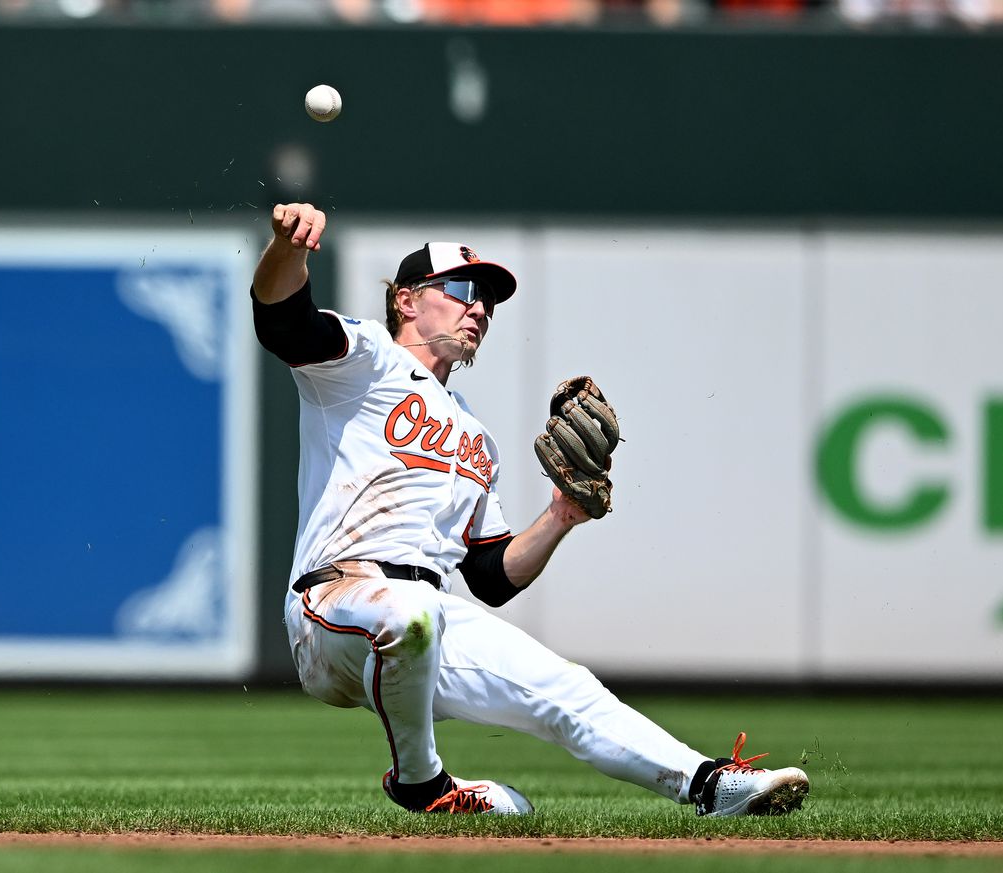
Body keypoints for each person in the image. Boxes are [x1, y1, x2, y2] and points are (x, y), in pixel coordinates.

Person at [251, 202, 810, 817]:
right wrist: (288, 247)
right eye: (463, 289)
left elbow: (490, 578)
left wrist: (563, 515)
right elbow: (283, 321)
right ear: (407, 301)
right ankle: (422, 781)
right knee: (409, 615)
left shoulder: (473, 436)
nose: (480, 308)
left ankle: (709, 787)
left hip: (430, 618)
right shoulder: (365, 360)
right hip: (334, 606)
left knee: (564, 688)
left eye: (488, 299)